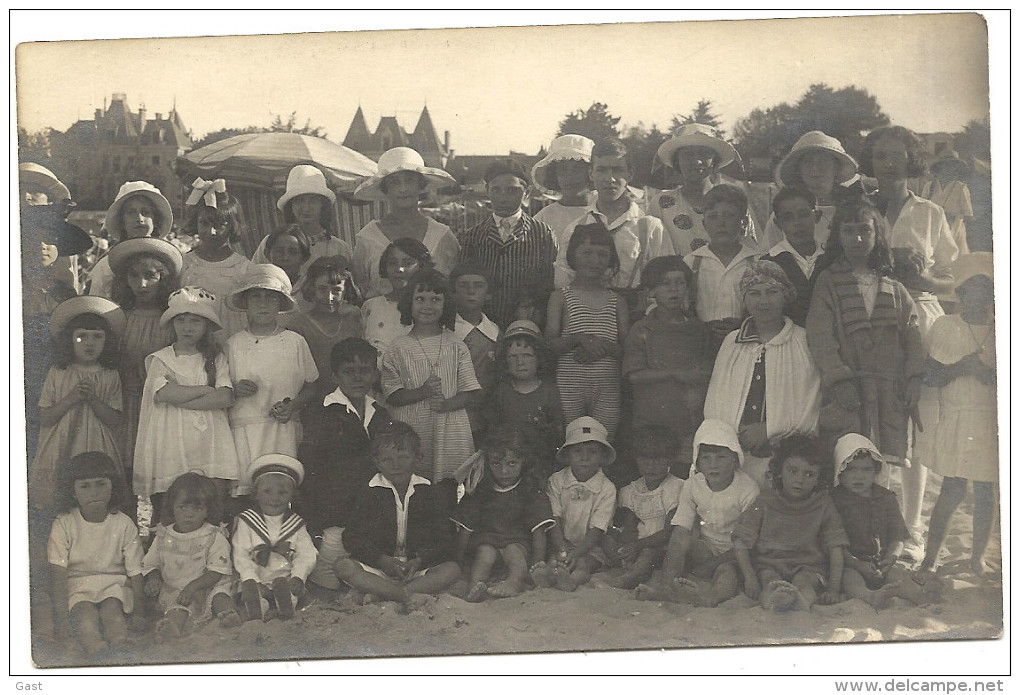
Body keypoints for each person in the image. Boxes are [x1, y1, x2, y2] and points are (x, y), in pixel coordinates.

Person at [860, 125, 960, 562]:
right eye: (881, 155)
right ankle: (878, 525)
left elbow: (954, 277)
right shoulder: (860, 208)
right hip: (868, 318)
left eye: (897, 155)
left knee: (915, 425)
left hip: (918, 315)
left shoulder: (930, 213)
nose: (888, 163)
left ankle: (913, 527)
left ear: (910, 160)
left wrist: (923, 278)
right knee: (876, 421)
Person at [806, 200, 926, 478]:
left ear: (877, 235)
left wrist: (914, 379)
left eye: (865, 230)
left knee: (881, 469)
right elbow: (820, 336)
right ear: (838, 236)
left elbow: (912, 333)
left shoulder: (893, 286)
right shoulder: (828, 282)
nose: (857, 239)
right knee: (844, 462)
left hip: (888, 392)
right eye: (849, 231)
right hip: (848, 392)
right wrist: (839, 379)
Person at [704, 260, 821, 488]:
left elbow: (810, 402)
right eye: (755, 293)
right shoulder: (732, 342)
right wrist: (733, 437)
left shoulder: (802, 341)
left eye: (772, 292)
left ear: (785, 295)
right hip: (736, 453)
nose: (764, 301)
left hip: (783, 454)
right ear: (744, 299)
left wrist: (770, 429)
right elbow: (715, 400)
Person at [918, 254, 998, 581]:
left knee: (985, 490)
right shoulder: (946, 326)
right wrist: (962, 368)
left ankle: (976, 559)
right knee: (951, 489)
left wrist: (990, 373)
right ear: (960, 293)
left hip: (990, 420)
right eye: (970, 289)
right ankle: (930, 558)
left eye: (986, 288)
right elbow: (931, 376)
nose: (978, 296)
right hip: (957, 417)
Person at [133, 287, 240, 523]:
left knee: (210, 497)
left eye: (195, 321)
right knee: (173, 499)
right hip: (173, 438)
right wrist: (205, 390)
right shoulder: (161, 359)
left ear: (206, 327)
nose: (187, 327)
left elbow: (224, 398)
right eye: (181, 320)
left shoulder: (215, 359)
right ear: (172, 324)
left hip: (209, 439)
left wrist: (183, 395)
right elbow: (166, 394)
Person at [333, 422, 461, 611]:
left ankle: (384, 594)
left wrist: (420, 560)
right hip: (378, 568)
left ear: (418, 458)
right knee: (342, 566)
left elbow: (444, 536)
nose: (396, 465)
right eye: (388, 460)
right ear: (377, 462)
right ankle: (403, 595)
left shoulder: (428, 491)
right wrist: (381, 560)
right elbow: (352, 537)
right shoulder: (368, 492)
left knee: (452, 570)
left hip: (415, 570)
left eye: (403, 457)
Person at [639, 419, 759, 606]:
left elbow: (748, 542)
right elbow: (681, 531)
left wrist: (711, 565)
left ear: (735, 460)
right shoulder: (693, 484)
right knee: (681, 541)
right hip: (706, 547)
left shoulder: (748, 489)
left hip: (734, 552)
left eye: (721, 457)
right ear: (698, 462)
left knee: (726, 573)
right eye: (706, 458)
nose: (713, 465)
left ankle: (710, 598)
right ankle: (667, 588)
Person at [226, 265, 319, 496]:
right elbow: (221, 389)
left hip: (282, 429)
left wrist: (293, 406)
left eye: (271, 298)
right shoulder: (233, 344)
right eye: (256, 297)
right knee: (247, 491)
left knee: (281, 489)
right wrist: (235, 390)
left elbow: (311, 386)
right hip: (245, 431)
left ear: (280, 304)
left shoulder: (294, 342)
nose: (263, 304)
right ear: (245, 303)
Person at [380, 268, 481, 481]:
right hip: (413, 426)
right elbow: (393, 395)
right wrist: (422, 392)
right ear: (409, 302)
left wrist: (447, 404)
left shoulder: (456, 346)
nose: (427, 306)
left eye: (435, 299)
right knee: (417, 477)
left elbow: (469, 392)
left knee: (449, 482)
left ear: (446, 305)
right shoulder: (398, 348)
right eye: (420, 299)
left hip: (449, 428)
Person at [554, 137, 675, 315]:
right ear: (591, 174)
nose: (609, 179)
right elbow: (563, 283)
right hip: (588, 316)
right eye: (601, 170)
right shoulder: (575, 229)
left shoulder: (650, 227)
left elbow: (667, 281)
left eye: (617, 170)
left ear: (630, 174)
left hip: (638, 316)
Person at [31, 297, 126, 514]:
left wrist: (93, 399)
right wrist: (71, 398)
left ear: (107, 342)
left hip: (97, 444)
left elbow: (115, 420)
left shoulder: (110, 375)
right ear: (70, 340)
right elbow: (46, 417)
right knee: (61, 498)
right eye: (82, 336)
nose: (90, 343)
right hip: (61, 443)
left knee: (96, 490)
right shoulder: (58, 372)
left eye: (97, 337)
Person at [623, 255, 714, 478]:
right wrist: (674, 374)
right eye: (665, 283)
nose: (674, 290)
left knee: (683, 478)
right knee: (653, 477)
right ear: (652, 291)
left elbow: (706, 372)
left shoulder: (697, 329)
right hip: (651, 422)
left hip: (687, 423)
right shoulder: (643, 329)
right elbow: (634, 374)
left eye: (680, 282)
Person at [732, 436, 848, 612]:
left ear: (819, 477)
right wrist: (749, 577)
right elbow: (741, 540)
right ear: (780, 470)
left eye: (809, 474)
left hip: (809, 566)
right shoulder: (765, 501)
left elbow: (835, 546)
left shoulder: (823, 504)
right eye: (793, 471)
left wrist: (833, 588)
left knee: (805, 583)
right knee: (770, 582)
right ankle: (776, 603)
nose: (799, 480)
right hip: (769, 564)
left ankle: (801, 602)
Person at [47, 452, 146, 657]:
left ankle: (119, 645)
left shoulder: (123, 523)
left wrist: (140, 613)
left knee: (113, 614)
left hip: (112, 585)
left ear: (113, 487)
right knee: (85, 618)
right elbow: (57, 573)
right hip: (78, 586)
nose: (94, 492)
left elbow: (136, 572)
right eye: (85, 486)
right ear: (73, 492)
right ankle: (96, 650)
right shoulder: (64, 523)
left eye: (101, 484)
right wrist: (63, 620)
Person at [297, 337, 395, 540]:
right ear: (334, 376)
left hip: (372, 514)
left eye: (365, 371)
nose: (357, 379)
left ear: (375, 375)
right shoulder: (321, 413)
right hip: (333, 517)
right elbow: (310, 470)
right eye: (348, 372)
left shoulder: (381, 414)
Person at [830, 434, 937, 607]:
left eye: (866, 470)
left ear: (876, 471)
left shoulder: (886, 498)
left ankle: (920, 599)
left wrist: (891, 557)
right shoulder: (835, 501)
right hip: (850, 562)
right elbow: (833, 542)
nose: (859, 476)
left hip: (881, 562)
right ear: (840, 471)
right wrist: (857, 564)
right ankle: (869, 597)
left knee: (898, 577)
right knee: (850, 581)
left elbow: (898, 534)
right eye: (852, 469)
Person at [108, 237, 183, 483]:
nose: (141, 284)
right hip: (127, 402)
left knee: (163, 471)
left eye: (150, 276)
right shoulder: (118, 317)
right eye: (134, 276)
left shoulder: (172, 320)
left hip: (162, 404)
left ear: (163, 279)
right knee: (126, 470)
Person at [452, 425, 555, 601]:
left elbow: (539, 533)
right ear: (487, 462)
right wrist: (460, 564)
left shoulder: (529, 490)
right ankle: (476, 585)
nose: (504, 471)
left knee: (514, 551)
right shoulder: (481, 489)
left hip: (518, 544)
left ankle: (514, 583)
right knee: (485, 553)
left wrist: (536, 567)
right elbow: (465, 530)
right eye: (496, 463)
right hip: (487, 542)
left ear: (524, 461)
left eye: (512, 463)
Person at [546, 223, 629, 440]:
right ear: (572, 256)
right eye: (586, 252)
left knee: (604, 442)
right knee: (570, 440)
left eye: (602, 254)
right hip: (569, 387)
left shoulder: (617, 302)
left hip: (607, 388)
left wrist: (601, 347)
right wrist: (578, 340)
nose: (594, 260)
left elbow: (626, 349)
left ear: (611, 260)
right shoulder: (561, 297)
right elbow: (550, 343)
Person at [458, 157, 558, 328]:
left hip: (526, 326)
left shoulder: (543, 234)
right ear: (487, 190)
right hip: (484, 325)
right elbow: (464, 286)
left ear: (526, 193)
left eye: (512, 190)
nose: (503, 197)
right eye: (496, 190)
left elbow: (548, 285)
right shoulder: (474, 236)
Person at [141, 472, 241, 640]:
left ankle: (228, 616)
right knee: (177, 608)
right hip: (178, 590)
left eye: (198, 508)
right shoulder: (163, 536)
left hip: (209, 586)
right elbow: (151, 564)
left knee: (220, 597)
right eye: (183, 507)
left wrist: (194, 586)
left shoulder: (213, 536)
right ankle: (172, 627)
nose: (189, 514)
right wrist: (153, 578)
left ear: (207, 510)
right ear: (172, 507)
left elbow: (216, 571)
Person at [352, 147, 459, 299]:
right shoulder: (368, 238)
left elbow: (454, 289)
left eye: (409, 180)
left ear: (420, 185)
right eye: (395, 182)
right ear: (385, 189)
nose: (403, 189)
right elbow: (360, 289)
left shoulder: (442, 236)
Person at [648, 123, 757, 256]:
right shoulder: (661, 204)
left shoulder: (732, 200)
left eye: (704, 154)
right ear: (677, 161)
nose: (697, 161)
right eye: (688, 155)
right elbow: (652, 253)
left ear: (714, 161)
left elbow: (750, 253)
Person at [232, 455, 317, 622]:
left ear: (292, 495)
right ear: (255, 494)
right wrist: (252, 579)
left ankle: (285, 607)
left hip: (285, 579)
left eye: (283, 492)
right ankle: (258, 606)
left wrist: (298, 576)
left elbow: (307, 554)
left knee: (291, 592)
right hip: (256, 578)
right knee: (247, 590)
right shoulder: (247, 520)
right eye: (267, 491)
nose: (275, 498)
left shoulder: (296, 524)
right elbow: (240, 554)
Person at [537, 417, 617, 592]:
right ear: (567, 455)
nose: (585, 457)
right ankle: (550, 577)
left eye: (593, 452)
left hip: (592, 546)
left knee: (583, 565)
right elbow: (554, 518)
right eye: (578, 451)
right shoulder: (557, 480)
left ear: (603, 456)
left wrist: (577, 552)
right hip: (562, 542)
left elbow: (598, 529)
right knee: (555, 562)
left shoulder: (607, 488)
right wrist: (562, 549)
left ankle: (571, 581)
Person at [601, 426, 684, 590]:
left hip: (660, 546)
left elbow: (670, 531)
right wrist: (627, 546)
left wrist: (638, 546)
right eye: (645, 460)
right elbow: (628, 525)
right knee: (606, 539)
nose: (651, 466)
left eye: (658, 460)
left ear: (671, 460)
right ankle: (628, 566)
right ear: (636, 459)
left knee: (648, 553)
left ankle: (631, 577)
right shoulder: (630, 491)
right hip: (636, 544)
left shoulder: (676, 487)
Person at [759, 130, 862, 252]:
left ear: (836, 167)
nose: (816, 168)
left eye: (823, 161)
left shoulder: (854, 209)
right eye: (807, 162)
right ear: (799, 170)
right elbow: (768, 257)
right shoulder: (785, 213)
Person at [683, 184, 761, 343]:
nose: (721, 223)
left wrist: (743, 324)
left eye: (729, 215)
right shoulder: (691, 262)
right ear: (704, 224)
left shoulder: (757, 262)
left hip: (745, 342)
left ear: (744, 222)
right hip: (702, 343)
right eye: (713, 216)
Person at [178, 178, 253, 340]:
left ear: (232, 226)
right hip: (194, 343)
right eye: (204, 223)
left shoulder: (242, 267)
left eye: (219, 224)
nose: (211, 231)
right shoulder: (185, 264)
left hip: (231, 338)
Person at [489, 320, 564, 472]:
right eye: (513, 357)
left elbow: (558, 432)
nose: (520, 362)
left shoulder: (550, 391)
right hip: (509, 465)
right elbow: (493, 431)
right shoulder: (501, 391)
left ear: (539, 358)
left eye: (527, 355)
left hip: (542, 462)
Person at [287, 255, 364, 400]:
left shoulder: (352, 322)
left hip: (349, 401)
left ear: (345, 290)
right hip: (312, 404)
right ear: (311, 288)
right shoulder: (298, 325)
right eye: (322, 289)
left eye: (336, 291)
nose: (329, 297)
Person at [252, 165, 353, 271]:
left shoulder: (338, 248)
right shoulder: (271, 243)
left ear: (323, 205)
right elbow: (253, 278)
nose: (306, 208)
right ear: (290, 206)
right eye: (299, 201)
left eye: (313, 201)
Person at [89, 181, 174, 299]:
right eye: (131, 213)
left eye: (145, 212)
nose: (139, 219)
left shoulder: (169, 261)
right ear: (122, 222)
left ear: (155, 219)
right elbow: (97, 304)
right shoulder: (107, 266)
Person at [361, 238, 433, 366]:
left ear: (421, 267)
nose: (399, 269)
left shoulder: (431, 308)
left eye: (408, 263)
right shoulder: (371, 306)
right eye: (393, 263)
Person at [450, 261, 500, 442]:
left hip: (486, 415)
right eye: (463, 286)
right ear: (453, 293)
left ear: (488, 294)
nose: (471, 291)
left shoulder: (495, 332)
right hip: (454, 414)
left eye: (478, 286)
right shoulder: (447, 332)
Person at [761, 187, 825, 327]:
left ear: (817, 216)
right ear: (778, 224)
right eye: (788, 217)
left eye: (803, 214)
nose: (797, 223)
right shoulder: (768, 264)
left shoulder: (832, 259)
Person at [532, 134, 596, 247]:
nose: (569, 177)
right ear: (554, 175)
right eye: (562, 170)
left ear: (590, 173)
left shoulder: (605, 211)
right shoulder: (543, 219)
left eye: (576, 169)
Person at [920, 150, 972, 257]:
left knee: (953, 259)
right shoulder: (929, 186)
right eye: (946, 166)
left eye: (952, 166)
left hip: (954, 231)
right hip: (933, 229)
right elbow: (921, 209)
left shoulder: (960, 187)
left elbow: (968, 215)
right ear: (940, 168)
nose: (949, 169)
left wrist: (951, 215)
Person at [263, 224, 312, 303]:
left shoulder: (310, 293)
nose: (285, 258)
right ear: (267, 254)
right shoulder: (259, 290)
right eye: (279, 251)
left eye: (293, 252)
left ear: (304, 258)